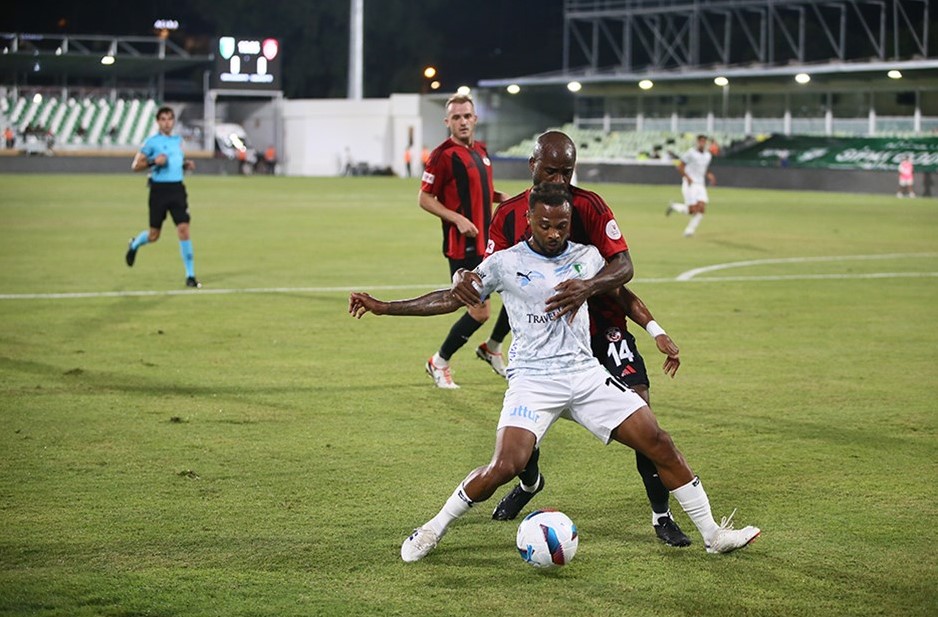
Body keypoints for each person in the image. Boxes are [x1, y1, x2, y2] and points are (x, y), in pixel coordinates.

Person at [348, 182, 761, 562]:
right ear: (529, 219)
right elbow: (451, 298)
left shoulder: (587, 257)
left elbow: (621, 291)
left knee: (658, 441)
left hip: (584, 374)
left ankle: (712, 534)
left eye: (561, 225)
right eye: (545, 225)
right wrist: (384, 306)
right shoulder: (505, 263)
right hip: (532, 379)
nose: (553, 233)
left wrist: (656, 330)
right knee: (505, 465)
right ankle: (432, 529)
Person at [453, 130, 690, 547]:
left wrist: (651, 328)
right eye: (551, 170)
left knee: (644, 418)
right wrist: (463, 276)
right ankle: (528, 485)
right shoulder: (508, 215)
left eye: (567, 171)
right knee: (523, 436)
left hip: (604, 328)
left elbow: (622, 271)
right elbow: (500, 276)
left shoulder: (591, 207)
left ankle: (662, 515)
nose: (560, 179)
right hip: (545, 342)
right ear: (533, 166)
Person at [418, 93, 513, 388]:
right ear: (447, 122)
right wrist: (457, 218)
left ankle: (492, 348)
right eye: (456, 117)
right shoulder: (442, 155)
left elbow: (480, 192)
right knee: (480, 311)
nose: (462, 121)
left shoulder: (481, 151)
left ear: (475, 119)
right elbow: (424, 198)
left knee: (519, 291)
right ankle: (439, 361)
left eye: (466, 116)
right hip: (463, 247)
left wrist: (502, 199)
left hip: (489, 243)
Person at [124, 106, 201, 288]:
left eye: (170, 119)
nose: (167, 122)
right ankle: (135, 244)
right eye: (163, 119)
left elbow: (175, 162)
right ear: (158, 122)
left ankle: (190, 276)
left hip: (177, 190)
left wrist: (185, 165)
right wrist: (152, 162)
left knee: (183, 229)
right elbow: (135, 166)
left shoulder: (178, 141)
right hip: (159, 191)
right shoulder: (151, 143)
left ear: (173, 121)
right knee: (154, 235)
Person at [666, 134, 716, 237]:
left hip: (700, 184)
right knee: (692, 210)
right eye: (700, 141)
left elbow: (703, 169)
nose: (702, 143)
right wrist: (687, 177)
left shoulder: (708, 156)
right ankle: (674, 206)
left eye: (704, 141)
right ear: (697, 142)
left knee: (701, 208)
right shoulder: (691, 153)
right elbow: (680, 166)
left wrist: (709, 175)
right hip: (690, 184)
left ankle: (689, 231)